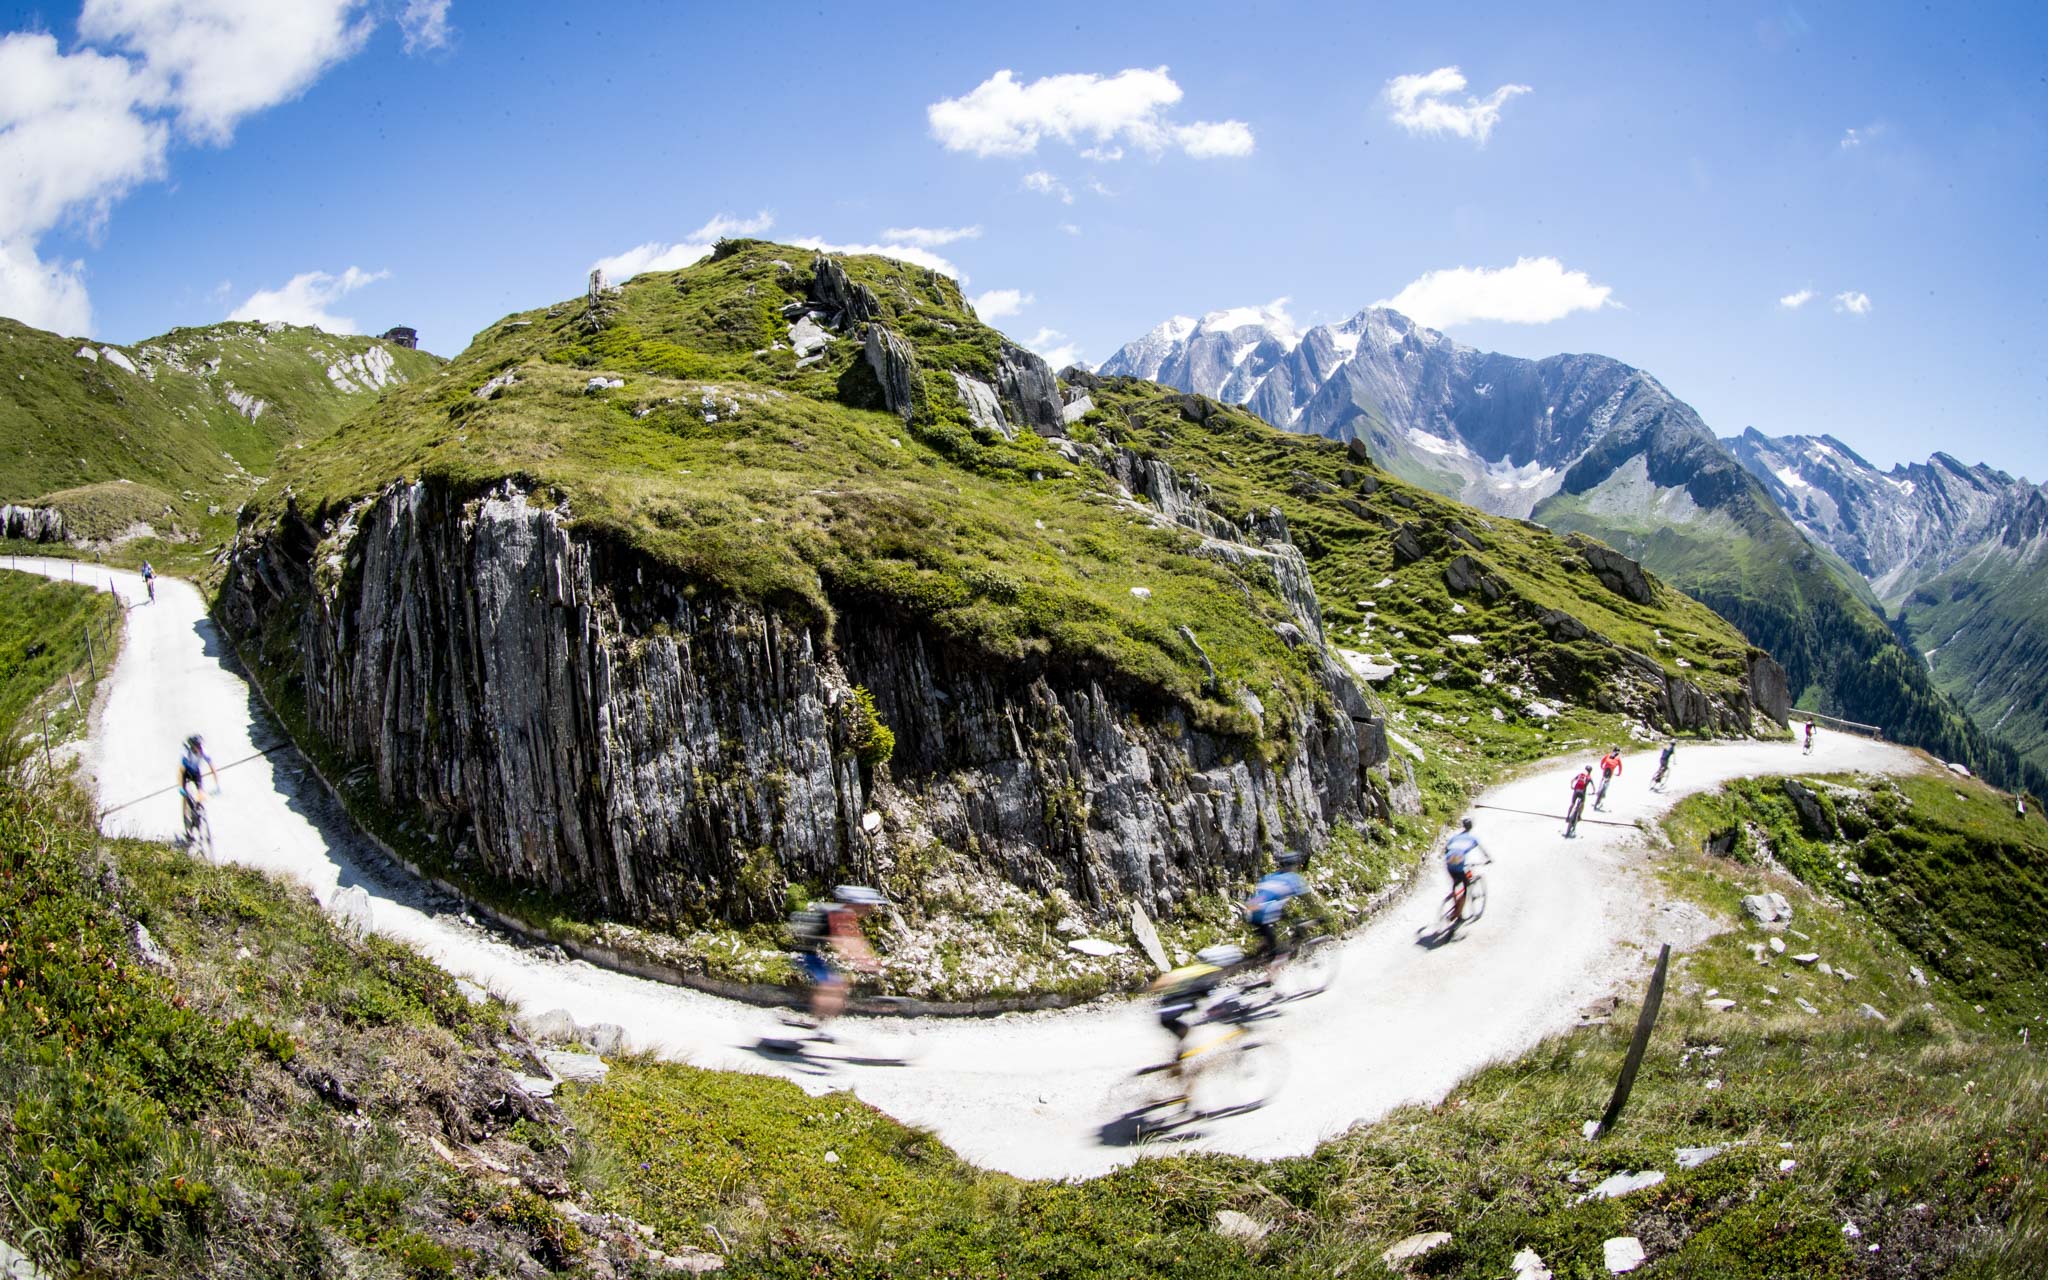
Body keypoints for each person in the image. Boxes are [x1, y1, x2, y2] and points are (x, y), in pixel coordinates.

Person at [1147, 944, 1241, 1102]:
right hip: (1170, 1015)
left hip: (1167, 1013)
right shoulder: (1209, 976)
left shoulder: (1199, 970)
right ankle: (1183, 1087)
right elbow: (1215, 1002)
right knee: (1195, 1053)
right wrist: (1235, 1018)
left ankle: (1178, 1069)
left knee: (1188, 1043)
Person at [792, 885, 885, 1037]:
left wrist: (867, 958)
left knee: (838, 985)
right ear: (856, 904)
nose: (869, 909)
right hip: (805, 954)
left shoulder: (846, 913)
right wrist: (861, 960)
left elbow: (855, 940)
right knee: (833, 984)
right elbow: (841, 940)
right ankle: (811, 1018)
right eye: (866, 905)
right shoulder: (838, 914)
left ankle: (817, 1021)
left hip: (811, 953)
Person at [1243, 851, 1308, 981]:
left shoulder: (1269, 877)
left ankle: (1255, 960)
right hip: (1265, 915)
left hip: (1252, 912)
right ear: (1295, 865)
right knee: (1282, 951)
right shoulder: (1293, 879)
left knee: (1267, 942)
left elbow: (1265, 896)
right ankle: (1271, 976)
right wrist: (1319, 917)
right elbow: (1308, 901)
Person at [1442, 817, 1485, 922]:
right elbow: (1482, 851)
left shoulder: (1455, 837)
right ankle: (1457, 914)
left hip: (1449, 862)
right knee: (1465, 889)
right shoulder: (1472, 838)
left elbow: (1446, 849)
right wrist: (1488, 859)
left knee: (1456, 884)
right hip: (1459, 862)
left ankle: (1455, 905)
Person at [1566, 766, 1592, 836]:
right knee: (1583, 803)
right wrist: (1593, 792)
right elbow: (1593, 787)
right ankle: (1579, 816)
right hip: (1582, 793)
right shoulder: (1589, 777)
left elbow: (1572, 780)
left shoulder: (1580, 775)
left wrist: (1572, 786)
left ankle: (1568, 816)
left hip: (1576, 791)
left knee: (1572, 803)